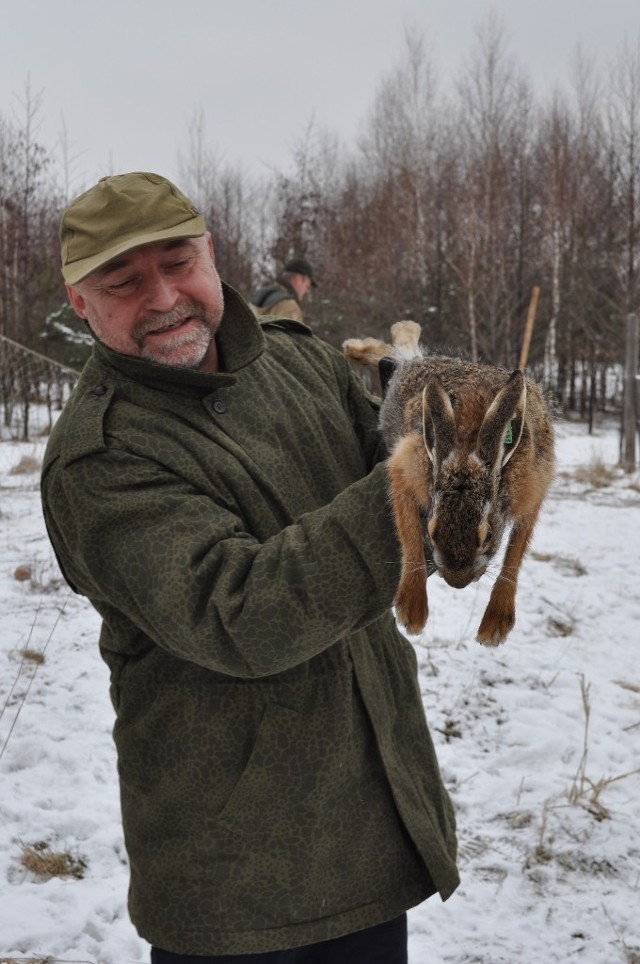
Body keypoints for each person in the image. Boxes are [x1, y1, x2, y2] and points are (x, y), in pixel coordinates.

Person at [40, 171, 459, 963]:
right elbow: (240, 616)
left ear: (212, 253)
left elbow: (421, 514)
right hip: (232, 872)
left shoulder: (297, 362)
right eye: (123, 281)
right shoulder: (99, 459)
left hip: (369, 819)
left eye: (177, 262)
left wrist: (466, 451)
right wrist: (417, 476)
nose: (163, 297)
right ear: (80, 303)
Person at [251, 257, 316, 323]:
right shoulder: (289, 306)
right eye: (307, 287)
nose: (307, 291)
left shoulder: (259, 297)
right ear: (298, 279)